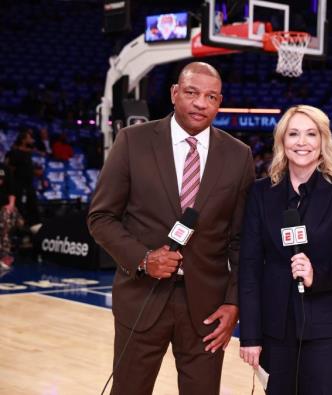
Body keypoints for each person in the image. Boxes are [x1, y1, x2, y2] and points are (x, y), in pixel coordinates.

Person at [87, 62, 255, 395]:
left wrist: (234, 302)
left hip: (207, 309)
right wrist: (144, 258)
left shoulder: (239, 156)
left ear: (219, 102)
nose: (200, 103)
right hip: (141, 298)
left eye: (210, 96)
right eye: (192, 93)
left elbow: (241, 240)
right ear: (175, 93)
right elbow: (101, 217)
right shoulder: (132, 141)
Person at [238, 105, 332, 394]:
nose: (302, 142)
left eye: (311, 134)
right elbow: (249, 268)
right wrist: (249, 335)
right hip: (275, 331)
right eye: (293, 134)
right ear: (282, 141)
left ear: (323, 140)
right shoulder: (261, 193)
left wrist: (316, 275)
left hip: (328, 332)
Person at [0, 163, 22, 270]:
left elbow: (12, 191)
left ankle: (5, 255)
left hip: (5, 207)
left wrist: (11, 205)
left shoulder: (4, 168)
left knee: (5, 217)